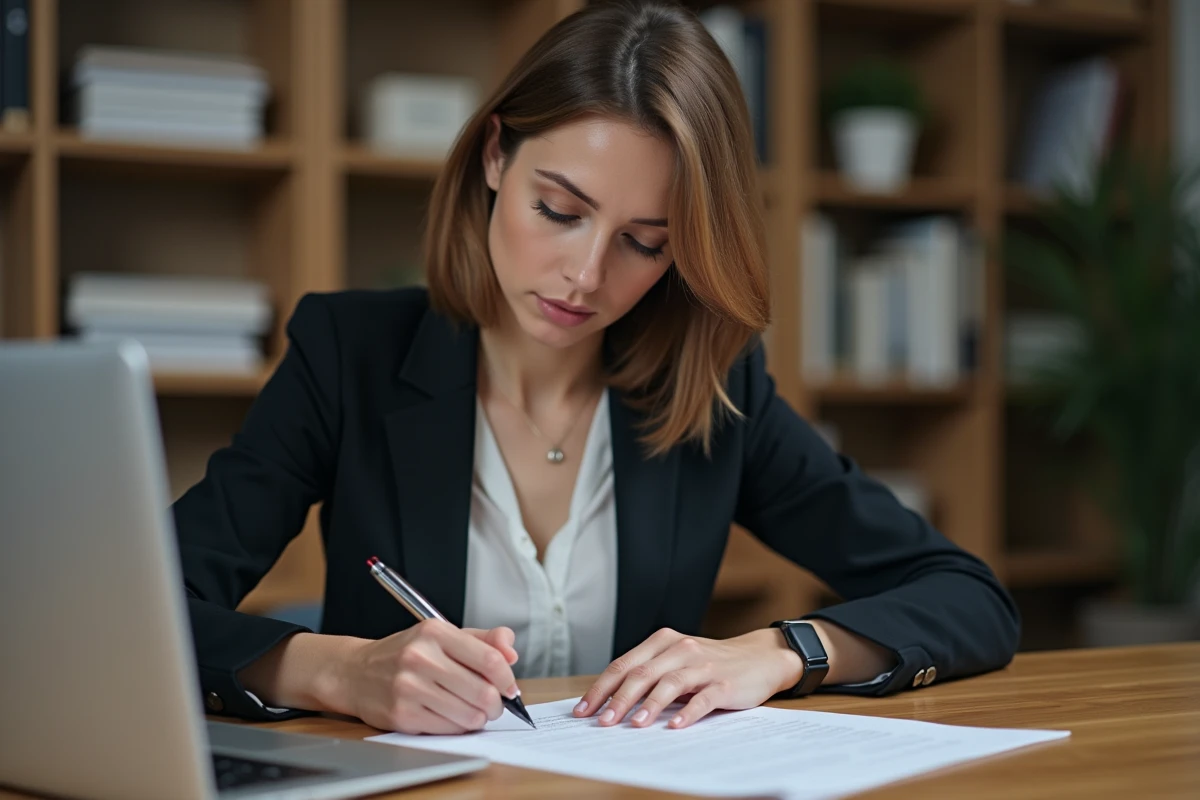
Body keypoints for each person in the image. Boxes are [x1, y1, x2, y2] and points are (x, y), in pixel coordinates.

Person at [175, 0, 1019, 737]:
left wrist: (778, 653)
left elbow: (967, 596)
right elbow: (144, 610)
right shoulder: (347, 354)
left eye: (645, 242)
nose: (586, 274)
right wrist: (335, 671)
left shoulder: (715, 391)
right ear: (496, 157)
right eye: (559, 209)